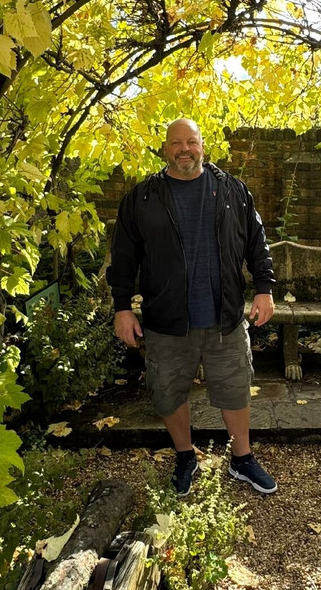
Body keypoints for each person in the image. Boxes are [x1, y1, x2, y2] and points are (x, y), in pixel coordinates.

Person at [108, 118, 277, 496]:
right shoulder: (142, 198)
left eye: (192, 142)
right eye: (176, 142)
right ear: (165, 149)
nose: (184, 149)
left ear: (202, 146)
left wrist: (264, 289)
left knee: (235, 388)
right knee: (168, 392)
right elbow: (123, 256)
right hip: (167, 322)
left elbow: (257, 241)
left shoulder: (232, 190)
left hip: (225, 318)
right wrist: (122, 307)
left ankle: (242, 458)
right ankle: (185, 456)